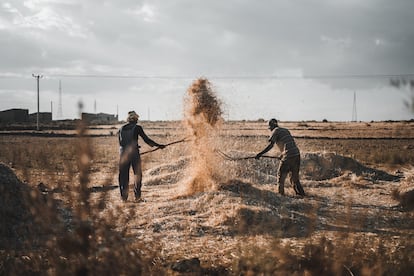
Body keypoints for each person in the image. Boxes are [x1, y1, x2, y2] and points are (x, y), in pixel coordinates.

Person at [118, 111, 165, 201]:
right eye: (137, 119)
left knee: (123, 176)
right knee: (137, 174)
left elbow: (121, 143)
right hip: (134, 154)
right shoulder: (137, 127)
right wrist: (159, 145)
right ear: (135, 119)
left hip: (123, 154)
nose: (137, 121)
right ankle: (137, 197)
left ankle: (124, 198)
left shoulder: (121, 129)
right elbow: (146, 140)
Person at [255, 118, 305, 196]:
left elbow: (271, 145)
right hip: (296, 154)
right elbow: (287, 144)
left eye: (270, 128)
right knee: (295, 179)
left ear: (271, 126)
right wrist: (282, 155)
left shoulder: (275, 131)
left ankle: (281, 196)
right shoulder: (285, 130)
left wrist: (260, 154)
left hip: (288, 156)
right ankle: (302, 196)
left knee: (280, 177)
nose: (270, 129)